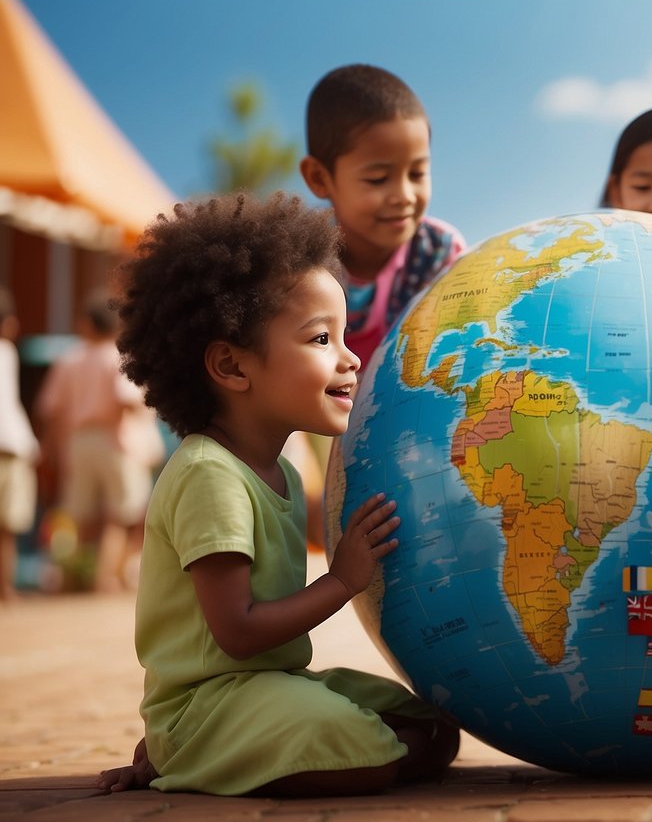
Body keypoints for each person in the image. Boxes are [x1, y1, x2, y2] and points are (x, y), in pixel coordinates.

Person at [96, 193, 459, 797]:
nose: (352, 357)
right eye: (321, 340)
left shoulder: (284, 472)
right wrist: (342, 581)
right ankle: (178, 751)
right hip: (209, 703)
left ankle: (221, 753)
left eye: (344, 336)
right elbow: (236, 632)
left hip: (274, 683)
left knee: (435, 729)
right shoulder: (209, 475)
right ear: (233, 367)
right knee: (368, 752)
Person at [299, 63, 467, 368]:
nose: (404, 195)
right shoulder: (301, 265)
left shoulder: (439, 251)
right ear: (320, 178)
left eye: (417, 173)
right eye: (377, 179)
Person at [35, 294, 157, 592]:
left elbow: (51, 409)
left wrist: (52, 448)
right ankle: (105, 578)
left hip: (78, 441)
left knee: (79, 515)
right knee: (120, 514)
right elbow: (126, 399)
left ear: (85, 324)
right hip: (114, 438)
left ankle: (71, 578)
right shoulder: (119, 356)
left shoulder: (69, 358)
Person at [0, 288, 39, 601]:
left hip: (12, 446)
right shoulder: (7, 352)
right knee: (9, 526)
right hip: (10, 449)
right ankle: (6, 587)